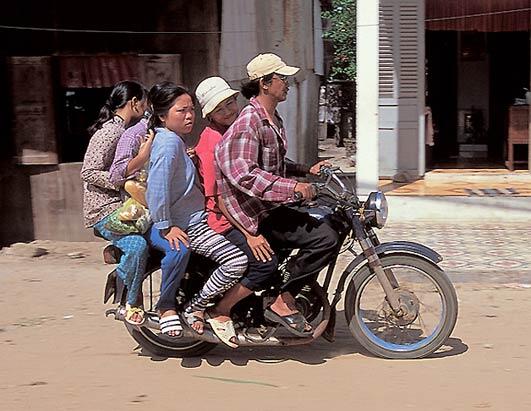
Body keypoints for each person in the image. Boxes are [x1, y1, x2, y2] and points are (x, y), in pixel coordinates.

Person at [215, 53, 340, 336]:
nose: (287, 83)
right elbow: (245, 174)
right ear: (264, 83)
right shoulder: (250, 121)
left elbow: (276, 164)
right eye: (281, 78)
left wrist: (307, 169)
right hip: (254, 214)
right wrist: (293, 188)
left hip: (270, 206)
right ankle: (283, 300)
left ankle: (287, 293)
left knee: (331, 222)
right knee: (324, 237)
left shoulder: (273, 119)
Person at [146, 82, 247, 346]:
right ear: (162, 116)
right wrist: (167, 226)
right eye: (181, 111)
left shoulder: (175, 141)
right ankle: (196, 306)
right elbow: (156, 189)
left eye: (191, 110)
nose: (189, 116)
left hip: (192, 218)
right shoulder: (168, 144)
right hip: (190, 224)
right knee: (236, 262)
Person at [194, 77, 279, 330]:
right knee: (265, 263)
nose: (229, 110)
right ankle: (219, 309)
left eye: (230, 102)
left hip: (244, 210)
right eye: (220, 108)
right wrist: (249, 234)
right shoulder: (211, 142)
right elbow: (218, 196)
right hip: (223, 218)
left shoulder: (235, 130)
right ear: (210, 114)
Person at [81, 80, 149, 326]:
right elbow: (88, 172)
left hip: (123, 208)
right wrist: (120, 180)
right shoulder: (110, 132)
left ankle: (120, 265)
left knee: (144, 240)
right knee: (139, 245)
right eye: (145, 102)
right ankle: (128, 298)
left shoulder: (129, 130)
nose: (147, 108)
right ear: (134, 103)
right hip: (104, 211)